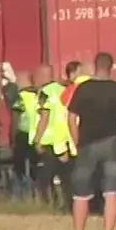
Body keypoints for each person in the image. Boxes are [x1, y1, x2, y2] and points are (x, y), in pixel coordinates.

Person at [63, 51, 116, 230]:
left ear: (95, 66)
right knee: (112, 191)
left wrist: (77, 141)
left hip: (87, 143)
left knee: (81, 191)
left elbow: (71, 118)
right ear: (111, 67)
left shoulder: (84, 88)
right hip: (111, 143)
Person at [34, 61, 79, 207]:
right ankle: (69, 205)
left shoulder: (45, 92)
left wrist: (38, 139)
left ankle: (48, 205)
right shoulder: (64, 90)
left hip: (50, 141)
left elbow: (44, 117)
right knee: (66, 179)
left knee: (45, 179)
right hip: (64, 140)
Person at [10, 68, 42, 199]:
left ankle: (21, 195)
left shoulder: (20, 98)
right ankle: (37, 194)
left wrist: (12, 138)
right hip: (39, 135)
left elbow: (15, 120)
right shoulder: (40, 95)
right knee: (36, 168)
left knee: (20, 168)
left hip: (23, 135)